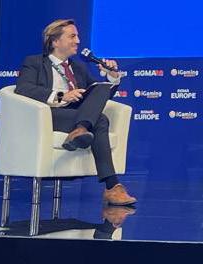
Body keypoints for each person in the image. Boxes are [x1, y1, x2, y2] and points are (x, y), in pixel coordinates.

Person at [16, 18, 136, 207]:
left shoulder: (78, 67)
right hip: (49, 115)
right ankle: (112, 186)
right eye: (72, 36)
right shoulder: (34, 62)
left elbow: (99, 96)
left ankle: (81, 128)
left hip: (77, 114)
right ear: (55, 41)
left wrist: (112, 77)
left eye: (77, 36)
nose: (78, 41)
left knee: (101, 89)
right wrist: (62, 96)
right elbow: (23, 89)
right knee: (101, 120)